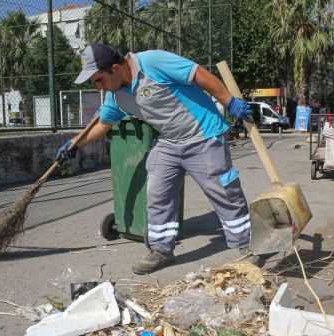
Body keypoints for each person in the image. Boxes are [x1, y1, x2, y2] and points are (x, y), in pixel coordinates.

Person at [56, 43, 256, 274]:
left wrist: (228, 101)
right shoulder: (116, 96)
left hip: (204, 135)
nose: (98, 87)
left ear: (115, 68)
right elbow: (103, 124)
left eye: (99, 80)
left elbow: (198, 74)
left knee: (223, 191)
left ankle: (247, 246)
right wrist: (74, 145)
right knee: (157, 190)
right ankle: (162, 250)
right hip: (170, 141)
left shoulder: (153, 62)